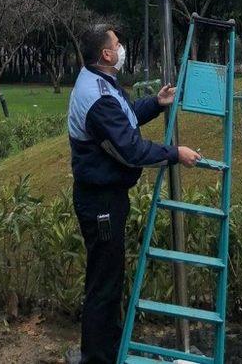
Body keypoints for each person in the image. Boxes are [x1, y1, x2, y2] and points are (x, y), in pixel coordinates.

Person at [66, 23, 201, 364]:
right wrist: (175, 153)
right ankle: (97, 359)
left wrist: (155, 103)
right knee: (103, 284)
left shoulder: (101, 83)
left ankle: (106, 352)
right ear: (106, 54)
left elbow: (124, 119)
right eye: (118, 43)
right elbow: (131, 149)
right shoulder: (96, 97)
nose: (122, 47)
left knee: (107, 279)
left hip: (106, 197)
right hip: (101, 203)